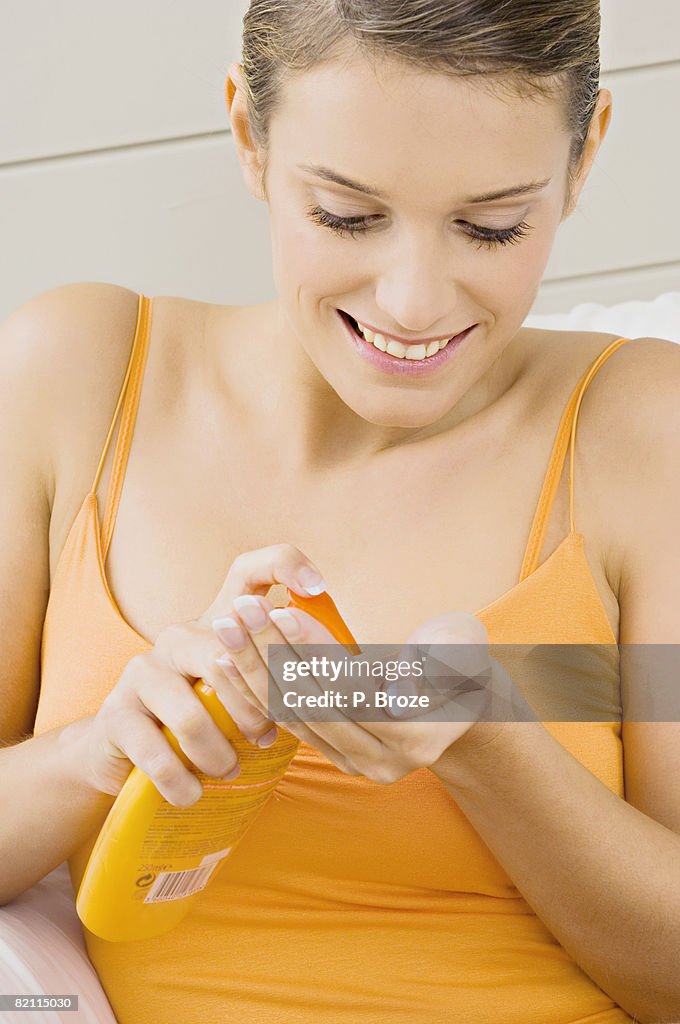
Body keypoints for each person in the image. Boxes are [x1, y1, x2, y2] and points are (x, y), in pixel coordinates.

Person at [1, 0, 679, 1021]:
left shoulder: (644, 436)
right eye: (346, 216)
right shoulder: (74, 377)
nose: (411, 301)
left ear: (582, 159)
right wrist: (98, 750)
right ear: (247, 133)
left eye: (490, 224)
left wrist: (487, 738)